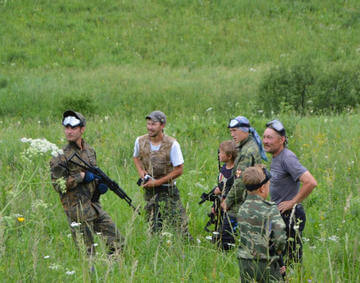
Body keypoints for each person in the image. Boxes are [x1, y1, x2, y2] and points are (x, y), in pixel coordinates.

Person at [50, 110, 124, 255]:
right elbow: (58, 185)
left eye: (73, 128)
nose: (69, 131)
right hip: (77, 212)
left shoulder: (89, 150)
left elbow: (94, 174)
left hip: (94, 207)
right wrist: (81, 177)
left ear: (82, 129)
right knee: (88, 254)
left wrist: (98, 185)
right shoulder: (60, 156)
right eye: (66, 128)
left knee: (117, 242)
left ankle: (112, 273)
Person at [263, 119, 317, 263]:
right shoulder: (276, 157)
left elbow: (310, 182)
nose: (265, 141)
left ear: (282, 140)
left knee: (291, 259)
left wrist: (292, 202)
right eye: (264, 137)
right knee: (277, 257)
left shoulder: (287, 158)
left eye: (270, 137)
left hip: (290, 216)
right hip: (280, 215)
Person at [133, 111, 191, 237]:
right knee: (153, 225)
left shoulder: (172, 144)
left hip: (168, 190)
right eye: (148, 124)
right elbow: (136, 158)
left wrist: (157, 182)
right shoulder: (140, 141)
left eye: (153, 124)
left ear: (162, 126)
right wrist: (142, 173)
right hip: (149, 191)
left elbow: (179, 169)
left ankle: (185, 247)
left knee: (179, 225)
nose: (150, 127)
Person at [220, 116, 266, 250]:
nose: (232, 134)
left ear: (244, 130)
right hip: (249, 200)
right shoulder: (248, 145)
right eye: (231, 131)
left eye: (235, 131)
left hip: (241, 203)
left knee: (226, 241)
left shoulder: (247, 151)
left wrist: (227, 201)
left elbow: (240, 182)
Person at [237, 165, 286, 282]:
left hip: (244, 263)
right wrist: (279, 252)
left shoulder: (242, 208)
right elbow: (279, 239)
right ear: (262, 188)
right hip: (266, 263)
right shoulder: (270, 209)